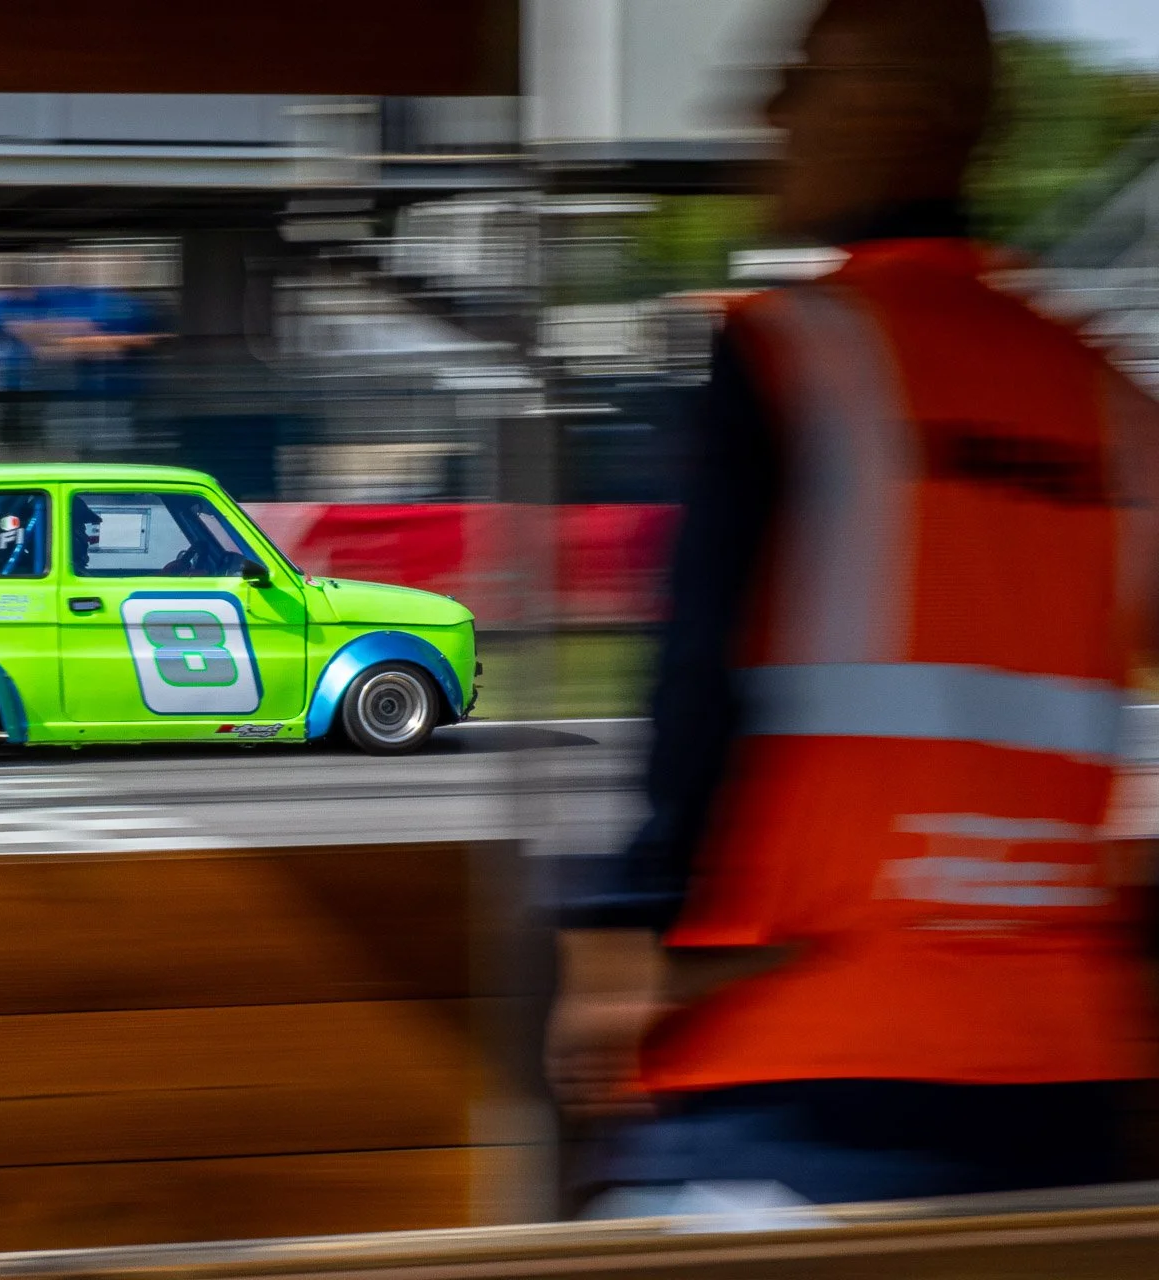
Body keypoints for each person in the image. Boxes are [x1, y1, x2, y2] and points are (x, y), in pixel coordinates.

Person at [549, 0, 1159, 1211]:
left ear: (903, 109)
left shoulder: (791, 353)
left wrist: (623, 936)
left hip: (797, 1060)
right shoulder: (1107, 403)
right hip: (1060, 1076)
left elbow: (697, 681)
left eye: (801, 79)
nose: (765, 115)